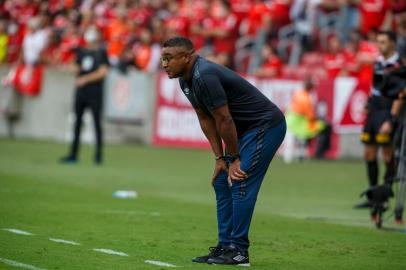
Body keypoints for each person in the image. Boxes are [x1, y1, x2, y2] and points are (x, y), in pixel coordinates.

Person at [161, 36, 286, 266]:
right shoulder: (186, 79)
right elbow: (205, 118)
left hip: (265, 126)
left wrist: (235, 159)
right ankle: (225, 246)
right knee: (221, 180)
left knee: (240, 180)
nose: (164, 64)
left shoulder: (205, 76)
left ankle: (239, 251)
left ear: (187, 57)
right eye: (163, 59)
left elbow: (224, 119)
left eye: (169, 59)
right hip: (242, 131)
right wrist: (220, 159)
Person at [355, 31, 404, 210]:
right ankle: (374, 195)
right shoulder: (378, 63)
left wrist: (391, 120)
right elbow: (374, 87)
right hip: (374, 111)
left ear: (392, 43)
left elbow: (400, 95)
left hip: (388, 112)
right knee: (368, 153)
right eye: (378, 42)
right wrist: (369, 103)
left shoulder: (399, 65)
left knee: (387, 155)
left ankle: (385, 195)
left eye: (383, 42)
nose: (379, 45)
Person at [60, 26, 109, 165]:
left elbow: (103, 72)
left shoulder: (101, 53)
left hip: (94, 93)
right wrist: (74, 69)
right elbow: (72, 66)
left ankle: (98, 156)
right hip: (81, 93)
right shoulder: (81, 52)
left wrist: (85, 79)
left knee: (96, 123)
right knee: (77, 123)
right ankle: (73, 154)